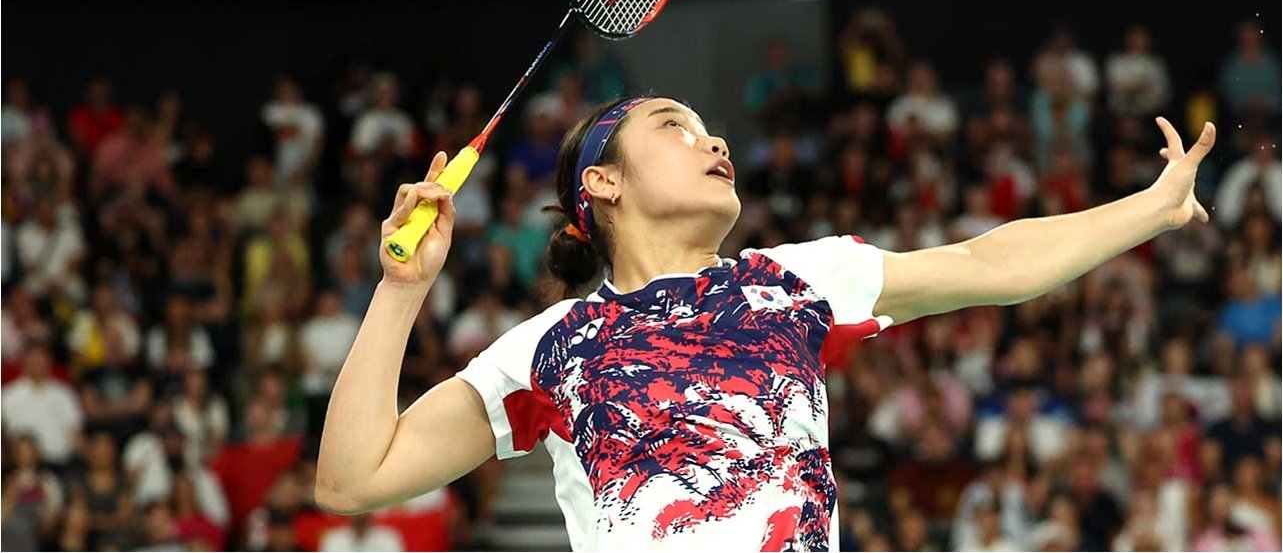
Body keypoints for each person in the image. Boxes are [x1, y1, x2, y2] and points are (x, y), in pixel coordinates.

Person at [316, 96, 1217, 550]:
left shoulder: (793, 281)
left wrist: (1149, 207)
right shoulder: (551, 346)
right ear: (602, 181)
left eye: (710, 131)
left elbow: (991, 264)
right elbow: (353, 479)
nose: (713, 142)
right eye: (675, 127)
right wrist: (400, 291)